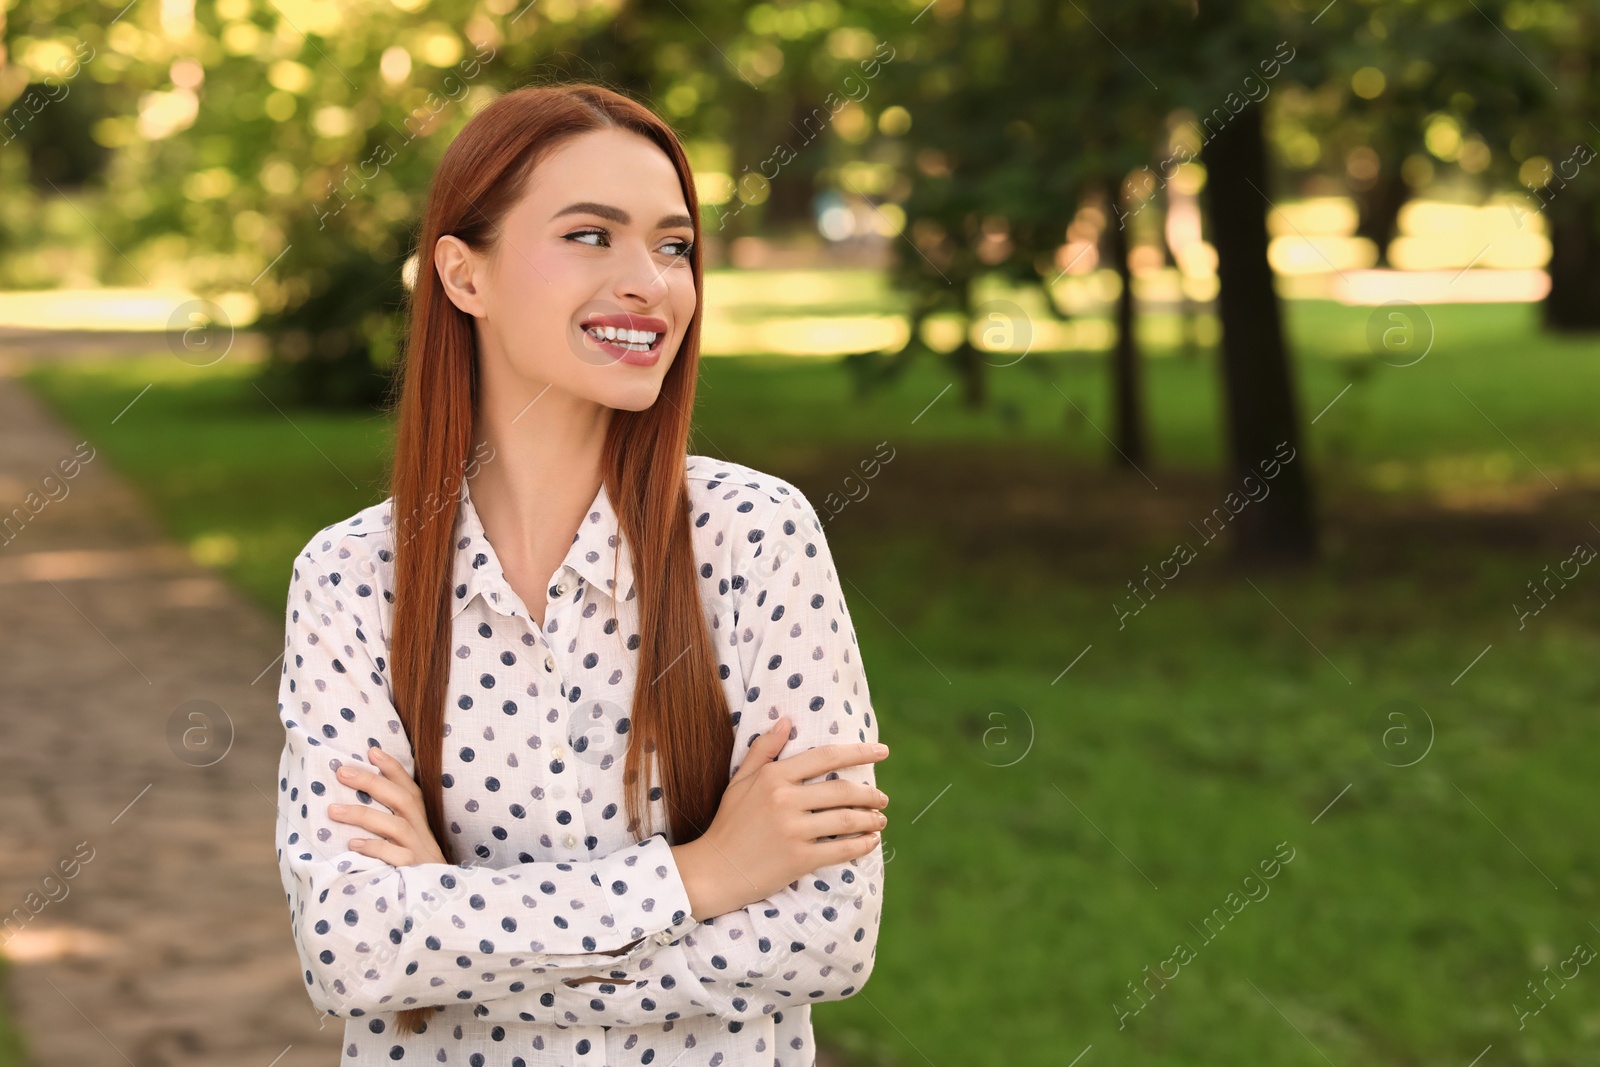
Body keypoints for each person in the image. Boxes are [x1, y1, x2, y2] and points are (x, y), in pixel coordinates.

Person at [271, 82, 890, 1067]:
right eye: (591, 236)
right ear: (463, 276)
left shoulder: (756, 537)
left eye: (673, 244)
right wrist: (698, 877)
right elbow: (351, 949)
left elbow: (824, 934)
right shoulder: (352, 577)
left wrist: (450, 930)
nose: (650, 280)